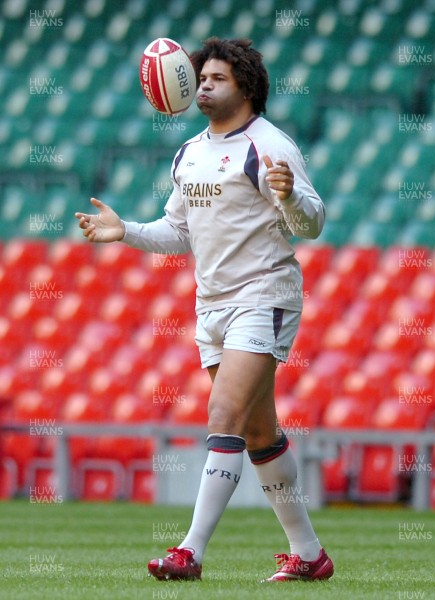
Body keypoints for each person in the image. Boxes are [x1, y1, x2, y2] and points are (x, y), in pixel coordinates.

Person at [75, 37, 333, 583]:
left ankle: (189, 552)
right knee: (260, 434)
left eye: (216, 78)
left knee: (223, 416)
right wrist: (126, 232)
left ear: (246, 85)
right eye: (202, 77)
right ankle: (309, 556)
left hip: (263, 296)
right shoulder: (189, 152)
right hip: (211, 305)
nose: (204, 85)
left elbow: (311, 225)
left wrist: (290, 197)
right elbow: (178, 232)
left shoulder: (270, 146)